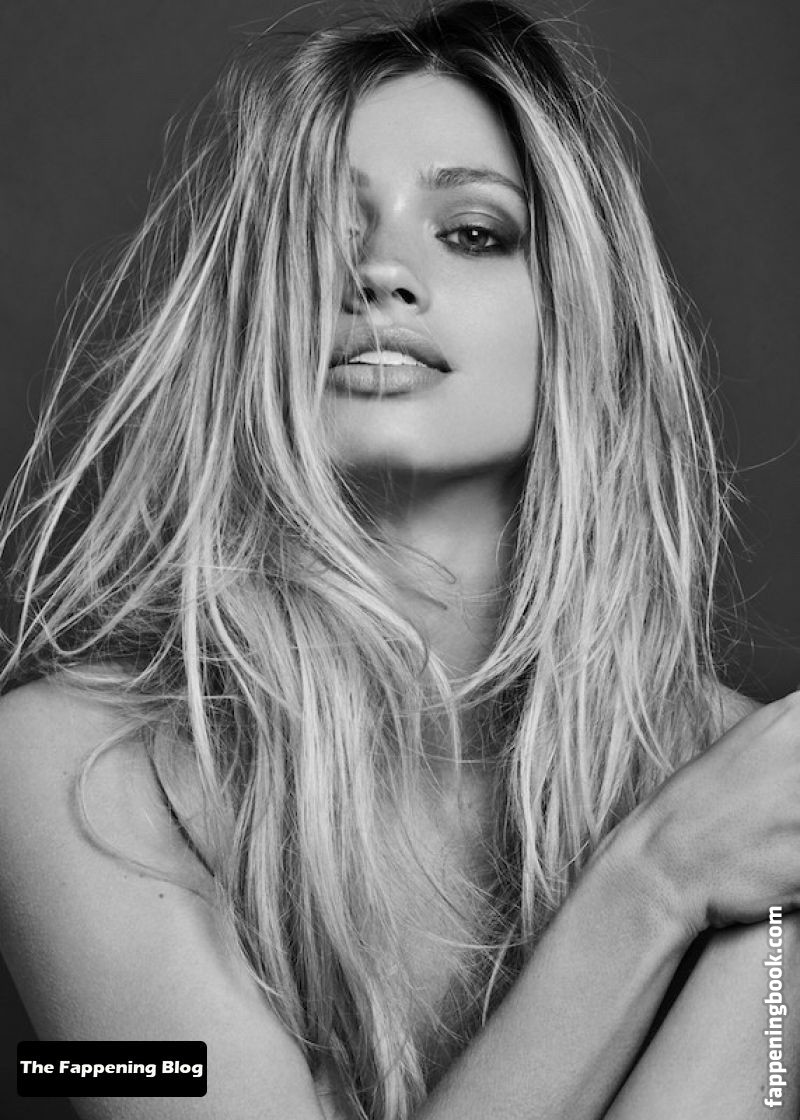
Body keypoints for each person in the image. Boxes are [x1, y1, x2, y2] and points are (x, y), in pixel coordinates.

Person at [0, 2, 798, 1117]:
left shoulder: (760, 793)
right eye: (317, 232)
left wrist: (748, 915)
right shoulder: (69, 771)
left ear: (581, 315)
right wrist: (657, 885)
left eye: (471, 231)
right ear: (249, 317)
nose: (377, 271)